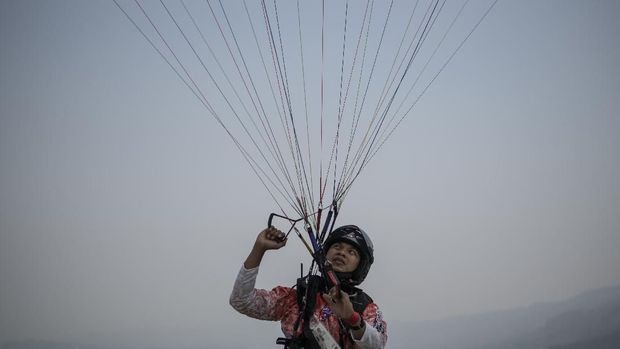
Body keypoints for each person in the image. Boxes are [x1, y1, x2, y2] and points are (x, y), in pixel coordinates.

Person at [230, 224, 387, 349]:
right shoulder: (296, 299)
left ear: (361, 265)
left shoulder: (366, 307)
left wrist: (352, 318)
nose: (342, 253)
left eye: (352, 252)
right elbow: (241, 301)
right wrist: (259, 249)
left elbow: (377, 345)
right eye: (337, 247)